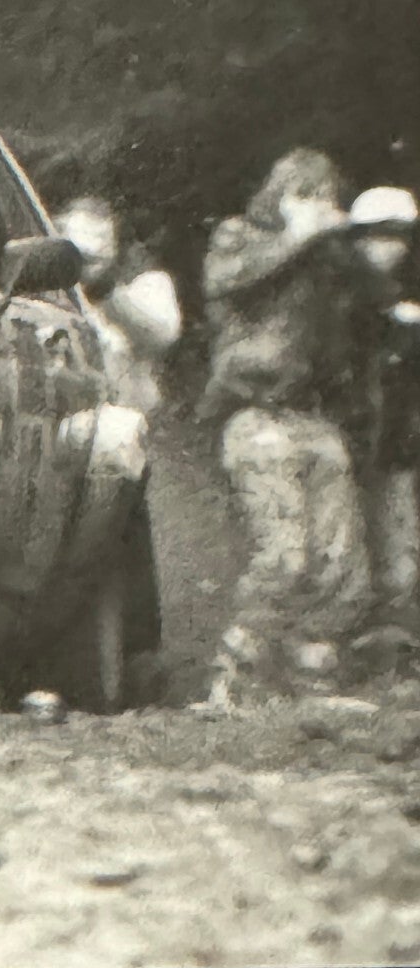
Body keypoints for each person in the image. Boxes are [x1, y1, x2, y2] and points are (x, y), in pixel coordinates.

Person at [198, 148, 372, 704]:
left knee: (341, 563)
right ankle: (234, 676)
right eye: (303, 193)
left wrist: (342, 240)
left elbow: (368, 304)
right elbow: (233, 283)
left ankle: (309, 675)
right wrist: (299, 236)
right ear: (276, 194)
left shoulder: (329, 257)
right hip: (256, 414)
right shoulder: (238, 237)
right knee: (284, 555)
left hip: (316, 414)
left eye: (324, 195)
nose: (317, 206)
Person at [346, 186, 420, 649]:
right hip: (358, 430)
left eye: (399, 237)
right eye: (378, 237)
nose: (391, 247)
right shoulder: (342, 290)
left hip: (398, 433)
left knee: (398, 530)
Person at [55, 196, 183, 417]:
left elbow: (163, 333)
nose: (82, 267)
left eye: (91, 258)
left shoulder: (147, 284)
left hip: (121, 416)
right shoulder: (43, 286)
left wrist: (108, 293)